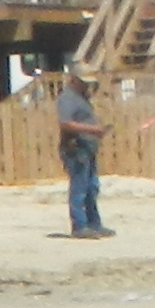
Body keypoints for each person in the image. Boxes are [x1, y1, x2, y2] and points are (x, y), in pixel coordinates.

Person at [52, 63, 109, 237]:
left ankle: (94, 224)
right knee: (80, 187)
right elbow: (66, 123)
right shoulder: (67, 98)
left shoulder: (82, 97)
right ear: (74, 79)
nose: (87, 85)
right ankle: (79, 226)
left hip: (87, 148)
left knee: (92, 187)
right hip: (76, 149)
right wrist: (93, 130)